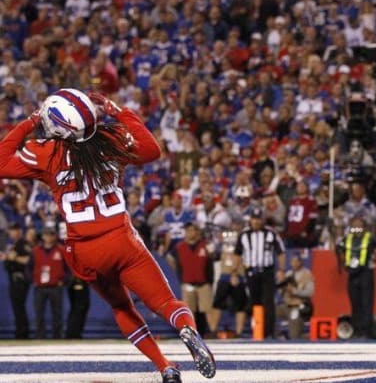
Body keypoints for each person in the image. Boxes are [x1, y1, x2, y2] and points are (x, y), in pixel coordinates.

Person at [0, 89, 215, 382]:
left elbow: (1, 162)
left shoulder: (45, 151)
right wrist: (117, 110)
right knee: (166, 302)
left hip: (85, 249)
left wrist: (28, 121)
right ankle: (186, 328)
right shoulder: (110, 139)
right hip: (122, 239)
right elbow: (152, 150)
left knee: (121, 306)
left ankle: (164, 365)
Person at [236, 207, 286, 339]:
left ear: (263, 220)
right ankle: (256, 330)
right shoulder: (244, 234)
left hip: (267, 271)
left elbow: (280, 252)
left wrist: (281, 269)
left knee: (268, 301)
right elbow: (237, 254)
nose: (256, 222)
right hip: (251, 271)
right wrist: (236, 272)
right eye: (254, 219)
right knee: (254, 301)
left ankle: (268, 332)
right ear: (250, 220)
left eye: (259, 219)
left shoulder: (271, 233)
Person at [167, 222, 215, 337]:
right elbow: (170, 258)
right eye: (188, 230)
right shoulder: (179, 247)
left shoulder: (205, 245)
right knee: (189, 311)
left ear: (197, 232)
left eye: (193, 230)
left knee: (207, 309)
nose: (190, 233)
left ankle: (211, 331)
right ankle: (192, 333)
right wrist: (180, 272)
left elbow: (212, 260)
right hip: (187, 282)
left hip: (203, 282)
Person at [340, 215, 376, 339]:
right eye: (354, 225)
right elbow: (338, 251)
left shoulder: (369, 238)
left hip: (365, 272)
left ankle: (367, 331)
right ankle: (357, 330)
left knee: (367, 303)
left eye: (359, 225)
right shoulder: (347, 239)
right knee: (355, 303)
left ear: (364, 227)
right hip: (352, 274)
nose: (356, 227)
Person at [30, 227, 66, 339]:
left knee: (57, 313)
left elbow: (69, 269)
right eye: (46, 235)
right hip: (40, 287)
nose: (49, 238)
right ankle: (40, 336)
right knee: (39, 312)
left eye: (51, 235)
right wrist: (33, 280)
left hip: (55, 286)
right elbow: (28, 267)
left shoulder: (61, 250)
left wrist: (64, 281)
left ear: (55, 236)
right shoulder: (35, 251)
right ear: (43, 236)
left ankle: (57, 336)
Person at [0, 222, 31, 338]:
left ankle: (22, 333)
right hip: (12, 278)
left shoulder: (23, 244)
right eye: (11, 230)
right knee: (17, 307)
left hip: (20, 279)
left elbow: (29, 259)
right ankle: (20, 331)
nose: (13, 232)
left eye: (15, 229)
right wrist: (6, 257)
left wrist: (16, 258)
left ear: (20, 231)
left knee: (19, 306)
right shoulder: (11, 244)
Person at [276, 254, 315, 339]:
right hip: (286, 305)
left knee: (295, 336)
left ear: (300, 262)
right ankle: (277, 335)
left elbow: (310, 292)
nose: (293, 263)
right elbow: (282, 292)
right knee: (270, 312)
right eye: (292, 261)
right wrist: (281, 284)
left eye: (295, 261)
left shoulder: (306, 274)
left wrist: (294, 291)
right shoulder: (289, 274)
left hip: (298, 306)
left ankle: (309, 337)